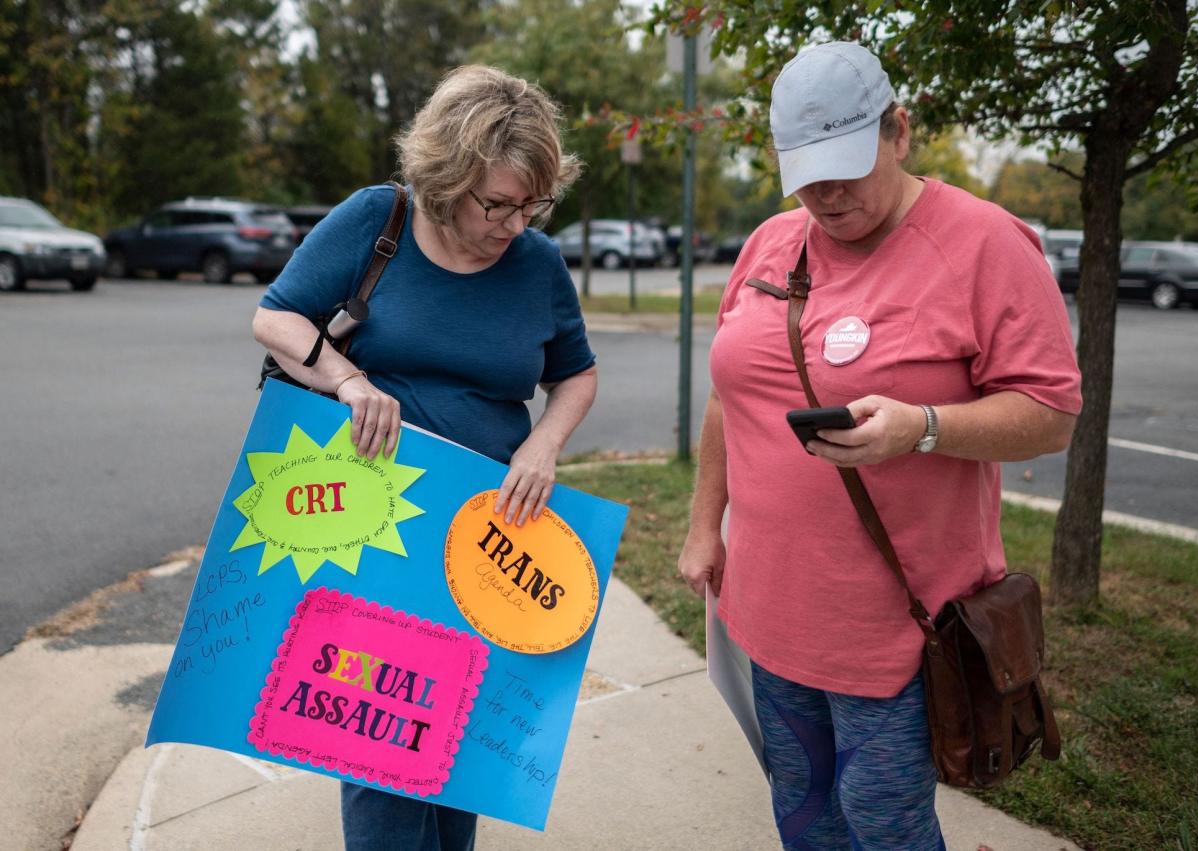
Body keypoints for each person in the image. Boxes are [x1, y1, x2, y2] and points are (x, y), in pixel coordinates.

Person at [678, 42, 1082, 850]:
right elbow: (732, 392)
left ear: (900, 131)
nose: (825, 194)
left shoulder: (986, 244)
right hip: (772, 606)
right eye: (806, 173)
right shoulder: (769, 245)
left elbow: (1050, 411)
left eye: (846, 166)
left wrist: (923, 425)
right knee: (800, 803)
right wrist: (702, 523)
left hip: (899, 624)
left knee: (882, 821)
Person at [253, 65, 597, 851]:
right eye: (497, 203)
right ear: (448, 177)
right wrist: (347, 379)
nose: (514, 222)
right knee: (380, 747)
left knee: (459, 748)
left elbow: (575, 373)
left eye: (532, 204)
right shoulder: (381, 219)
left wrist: (544, 441)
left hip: (486, 539)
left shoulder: (537, 262)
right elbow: (274, 318)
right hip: (373, 533)